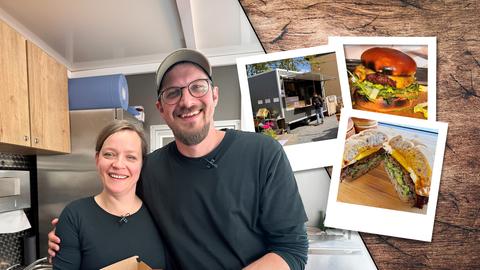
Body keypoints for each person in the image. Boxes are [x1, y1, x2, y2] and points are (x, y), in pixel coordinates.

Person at [49, 49, 308, 270]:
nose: (186, 100)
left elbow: (291, 249)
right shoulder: (150, 170)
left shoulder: (264, 153)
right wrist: (69, 235)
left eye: (197, 86)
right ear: (161, 108)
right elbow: (116, 208)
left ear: (214, 95)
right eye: (172, 92)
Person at [52, 120, 167, 269]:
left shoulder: (159, 213)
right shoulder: (74, 216)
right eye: (109, 154)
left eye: (131, 157)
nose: (118, 164)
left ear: (142, 164)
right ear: (97, 159)